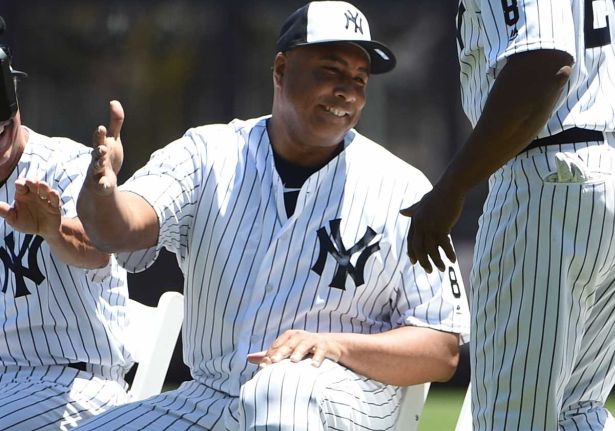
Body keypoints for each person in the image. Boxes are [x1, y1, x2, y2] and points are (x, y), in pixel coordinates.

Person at [75, 2, 469, 430]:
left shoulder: (404, 188)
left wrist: (334, 346)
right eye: (330, 70)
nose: (348, 92)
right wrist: (102, 194)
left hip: (341, 399)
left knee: (282, 388)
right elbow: (121, 228)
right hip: (212, 397)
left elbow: (441, 347)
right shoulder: (208, 154)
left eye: (359, 78)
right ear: (281, 70)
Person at [402, 0, 615, 429]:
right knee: (577, 410)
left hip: (556, 174)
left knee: (512, 418)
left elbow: (545, 62)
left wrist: (452, 188)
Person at [0, 18, 132, 431]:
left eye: (4, 127)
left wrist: (54, 231)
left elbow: (97, 246)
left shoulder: (64, 164)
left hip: (77, 384)